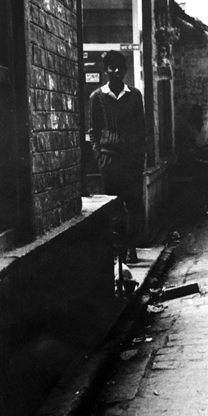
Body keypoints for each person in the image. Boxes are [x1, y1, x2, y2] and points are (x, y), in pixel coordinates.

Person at [89, 51, 145, 264]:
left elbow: (142, 130)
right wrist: (100, 157)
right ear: (106, 70)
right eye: (112, 67)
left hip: (131, 161)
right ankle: (119, 251)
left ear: (125, 70)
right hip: (109, 160)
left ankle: (132, 247)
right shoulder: (97, 97)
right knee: (115, 207)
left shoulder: (135, 95)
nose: (117, 71)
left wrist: (139, 158)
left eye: (120, 67)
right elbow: (93, 131)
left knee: (134, 205)